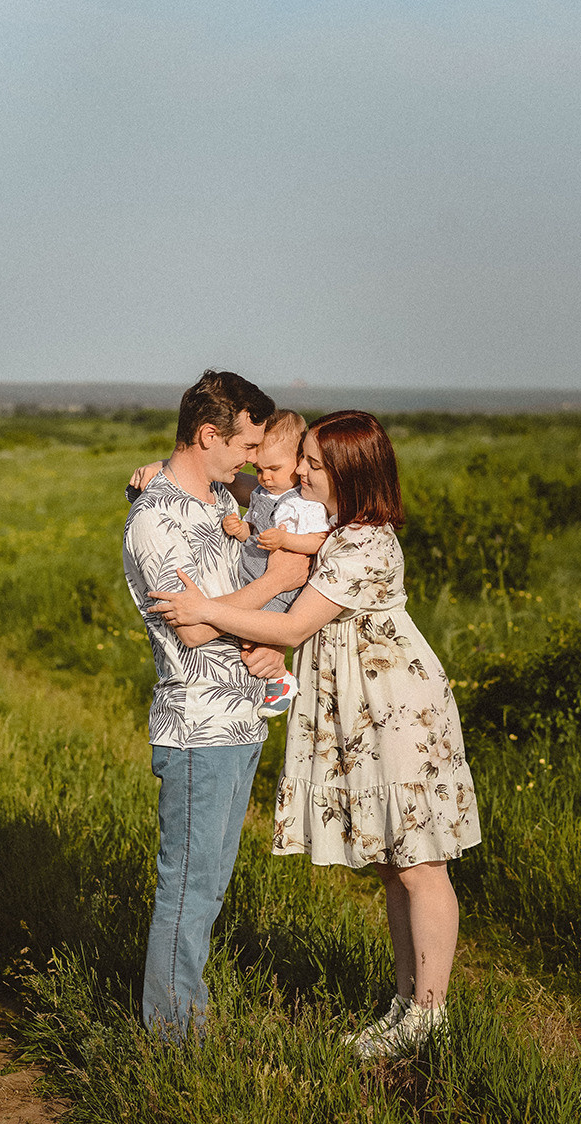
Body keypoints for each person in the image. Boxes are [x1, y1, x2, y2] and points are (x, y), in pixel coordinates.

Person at [148, 411, 481, 1057]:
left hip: (395, 710)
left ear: (350, 473)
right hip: (366, 709)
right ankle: (407, 1006)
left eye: (314, 464)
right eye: (302, 458)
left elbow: (295, 625)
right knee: (394, 865)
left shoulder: (363, 543)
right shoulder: (338, 530)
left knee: (419, 863)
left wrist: (203, 610)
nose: (300, 470)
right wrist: (157, 471)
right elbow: (257, 490)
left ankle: (429, 1014)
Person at [122, 370, 309, 1040]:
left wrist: (274, 638)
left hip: (240, 718)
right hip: (197, 727)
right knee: (188, 888)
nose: (252, 460)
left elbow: (234, 587)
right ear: (208, 434)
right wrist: (282, 579)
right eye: (245, 445)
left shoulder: (218, 497)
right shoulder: (157, 519)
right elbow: (195, 630)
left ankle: (181, 1025)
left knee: (209, 885)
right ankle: (173, 1045)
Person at [222, 409, 330, 718]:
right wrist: (241, 529)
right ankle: (259, 683)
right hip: (254, 573)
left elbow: (318, 541)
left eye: (274, 468)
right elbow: (255, 531)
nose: (265, 477)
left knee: (252, 631)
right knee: (243, 631)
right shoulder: (261, 494)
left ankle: (280, 679)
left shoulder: (303, 504)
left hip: (282, 587)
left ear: (298, 462)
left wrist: (286, 540)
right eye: (258, 470)